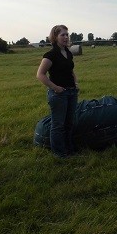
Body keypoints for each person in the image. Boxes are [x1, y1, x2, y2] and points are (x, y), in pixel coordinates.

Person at [36, 25, 79, 158]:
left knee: (69, 123)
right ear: (55, 37)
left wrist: (76, 82)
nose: (66, 37)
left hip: (72, 92)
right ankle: (59, 153)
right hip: (59, 94)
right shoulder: (50, 55)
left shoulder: (68, 53)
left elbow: (70, 70)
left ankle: (69, 149)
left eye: (67, 34)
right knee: (58, 125)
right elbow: (40, 74)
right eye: (62, 35)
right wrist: (55, 88)